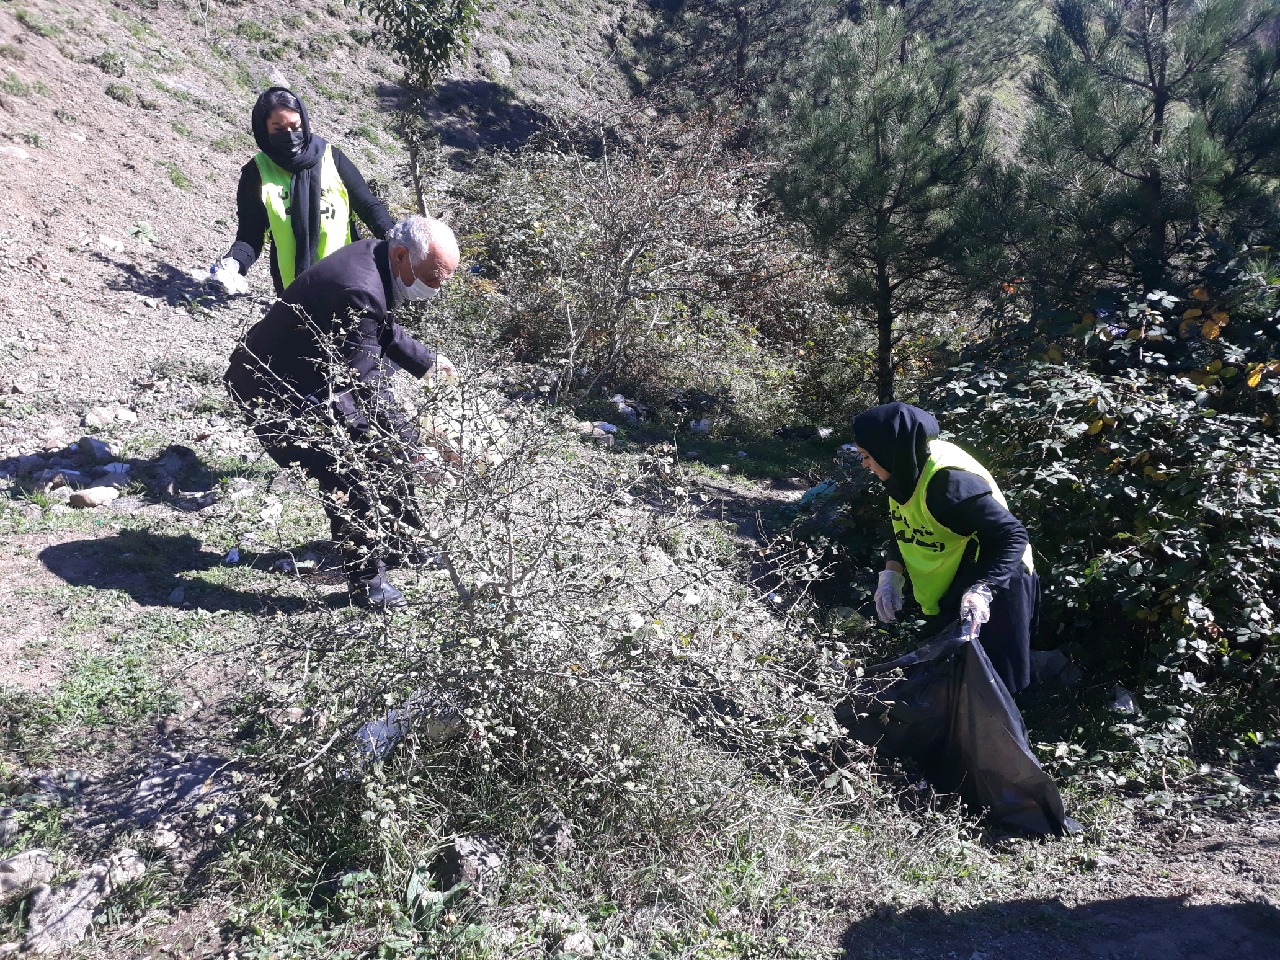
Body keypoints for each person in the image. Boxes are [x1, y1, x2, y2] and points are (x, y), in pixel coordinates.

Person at [224, 215, 459, 610]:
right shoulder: (360, 285)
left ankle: (404, 542)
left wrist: (426, 362)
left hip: (309, 377)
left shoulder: (377, 258)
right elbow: (365, 384)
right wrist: (413, 444)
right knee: (349, 470)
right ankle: (367, 583)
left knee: (385, 452)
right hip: (271, 390)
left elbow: (377, 328)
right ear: (403, 256)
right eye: (433, 277)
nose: (436, 288)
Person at [850, 402, 1038, 694]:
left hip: (1000, 577)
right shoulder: (904, 471)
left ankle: (1007, 734)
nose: (865, 464)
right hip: (959, 575)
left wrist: (984, 589)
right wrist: (891, 575)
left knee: (998, 678)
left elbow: (1013, 535)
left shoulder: (950, 483)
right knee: (955, 673)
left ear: (886, 449)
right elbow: (906, 522)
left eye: (866, 456)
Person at [210, 87, 395, 296]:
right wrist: (234, 264)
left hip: (348, 282)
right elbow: (250, 236)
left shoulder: (332, 158)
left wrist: (393, 234)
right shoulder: (257, 172)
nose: (289, 135)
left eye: (295, 126)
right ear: (264, 130)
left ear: (304, 123)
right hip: (292, 291)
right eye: (278, 129)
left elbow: (368, 206)